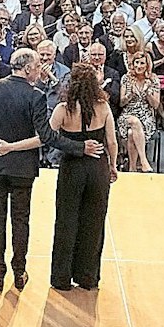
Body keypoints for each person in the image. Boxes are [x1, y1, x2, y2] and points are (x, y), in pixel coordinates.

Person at [0, 48, 82, 292]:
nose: (39, 70)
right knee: (21, 220)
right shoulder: (36, 95)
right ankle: (19, 272)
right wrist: (79, 147)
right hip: (22, 169)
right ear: (29, 68)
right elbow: (47, 136)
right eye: (37, 65)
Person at [48, 61, 118, 291]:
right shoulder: (104, 107)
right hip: (98, 167)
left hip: (72, 167)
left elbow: (49, 137)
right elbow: (112, 142)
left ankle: (61, 278)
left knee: (66, 221)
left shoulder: (63, 109)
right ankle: (88, 277)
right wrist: (114, 166)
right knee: (94, 222)